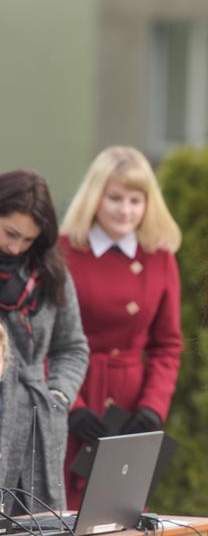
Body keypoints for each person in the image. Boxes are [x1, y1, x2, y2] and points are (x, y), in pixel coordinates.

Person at [58, 146, 184, 508]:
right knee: (59, 513)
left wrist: (152, 408)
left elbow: (167, 345)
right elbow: (45, 342)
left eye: (135, 199)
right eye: (115, 198)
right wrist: (70, 405)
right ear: (95, 196)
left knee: (117, 512)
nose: (125, 210)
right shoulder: (63, 251)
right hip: (72, 396)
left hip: (129, 409)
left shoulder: (160, 258)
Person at [0, 170, 89, 513]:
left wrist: (58, 396)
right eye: (10, 233)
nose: (15, 247)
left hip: (38, 427)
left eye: (28, 240)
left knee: (40, 523)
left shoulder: (50, 274)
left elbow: (73, 347)